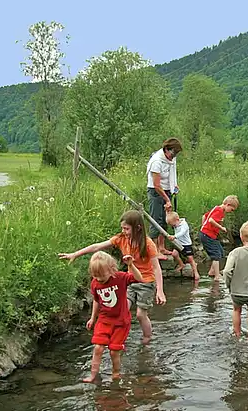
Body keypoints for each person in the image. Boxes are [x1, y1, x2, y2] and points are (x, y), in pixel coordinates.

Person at [58, 210, 166, 344]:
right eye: (122, 228)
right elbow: (97, 246)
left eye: (126, 228)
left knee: (140, 314)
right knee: (122, 308)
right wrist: (75, 254)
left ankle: (147, 338)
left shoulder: (148, 244)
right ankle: (117, 336)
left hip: (146, 282)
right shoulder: (121, 239)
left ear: (138, 228)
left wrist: (160, 291)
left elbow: (156, 268)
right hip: (130, 281)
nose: (124, 231)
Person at [82, 251, 143, 382]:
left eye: (102, 275)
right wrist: (93, 318)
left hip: (121, 321)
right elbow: (97, 301)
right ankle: (93, 375)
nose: (99, 279)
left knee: (114, 351)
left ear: (111, 269)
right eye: (95, 276)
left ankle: (116, 373)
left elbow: (139, 278)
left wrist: (131, 265)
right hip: (104, 320)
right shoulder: (95, 283)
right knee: (98, 347)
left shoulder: (119, 278)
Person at [146, 138, 183, 259]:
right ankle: (154, 250)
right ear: (166, 149)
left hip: (167, 191)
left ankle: (162, 247)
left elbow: (172, 173)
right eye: (173, 153)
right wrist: (167, 200)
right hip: (156, 192)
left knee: (165, 219)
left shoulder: (172, 159)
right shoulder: (156, 161)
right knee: (156, 220)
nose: (174, 156)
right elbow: (156, 185)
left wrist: (174, 186)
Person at [200, 195, 239, 280]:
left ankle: (212, 271)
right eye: (231, 210)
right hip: (207, 235)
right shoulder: (220, 211)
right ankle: (217, 276)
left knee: (221, 252)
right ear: (228, 205)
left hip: (209, 235)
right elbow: (211, 220)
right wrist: (221, 228)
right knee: (216, 255)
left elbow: (205, 216)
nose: (231, 212)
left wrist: (203, 226)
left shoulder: (217, 208)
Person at [166, 211, 201, 281]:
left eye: (173, 225)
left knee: (190, 259)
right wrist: (167, 211)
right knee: (174, 254)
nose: (173, 226)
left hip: (186, 244)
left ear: (177, 220)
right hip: (178, 243)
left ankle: (196, 273)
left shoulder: (184, 225)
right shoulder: (175, 222)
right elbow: (169, 216)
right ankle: (181, 264)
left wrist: (174, 236)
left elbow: (182, 233)